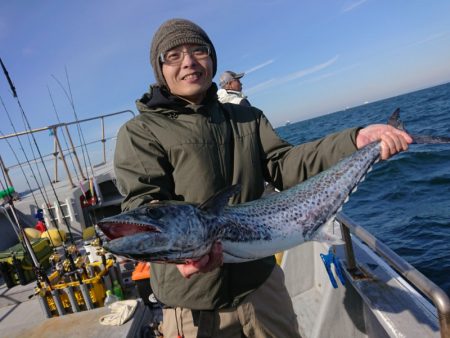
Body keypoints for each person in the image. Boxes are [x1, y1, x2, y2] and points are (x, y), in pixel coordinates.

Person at [113, 18, 412, 338]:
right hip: (193, 304)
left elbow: (285, 165)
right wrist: (179, 253)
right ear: (160, 69)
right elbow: (145, 202)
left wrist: (355, 141)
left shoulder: (247, 117)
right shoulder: (139, 132)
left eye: (198, 50)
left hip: (261, 286)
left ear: (211, 59)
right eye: (173, 55)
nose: (188, 61)